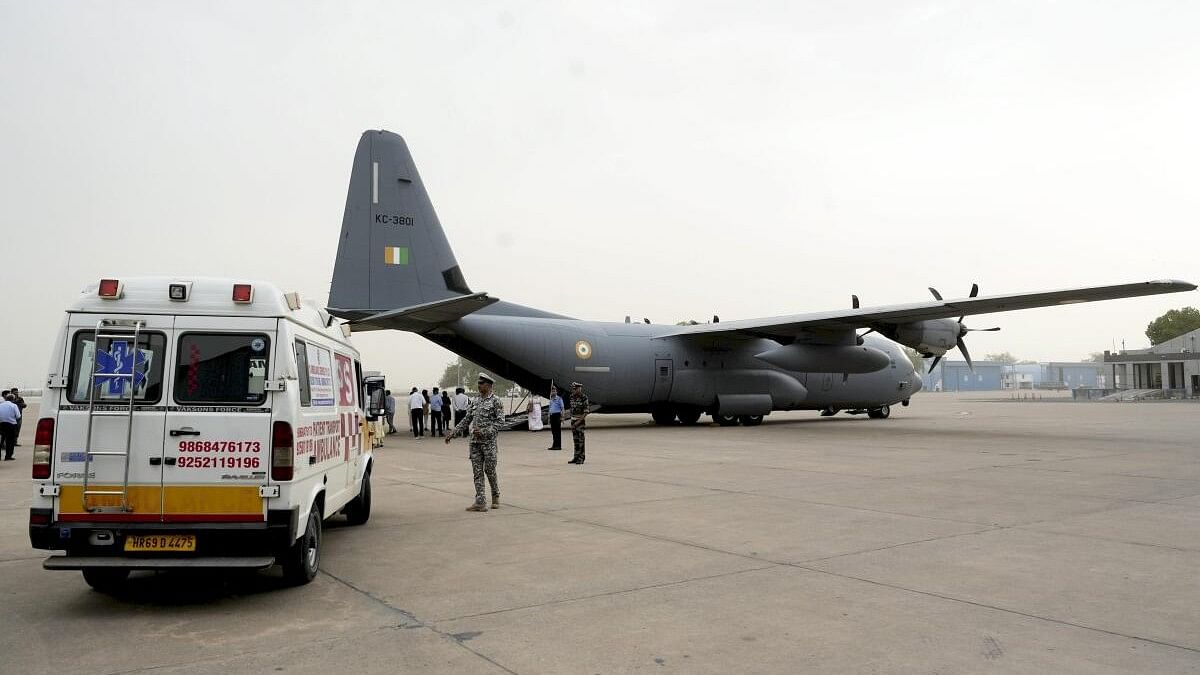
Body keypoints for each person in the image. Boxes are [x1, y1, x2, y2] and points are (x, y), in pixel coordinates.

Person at [445, 373, 505, 511]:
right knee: (477, 472)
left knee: (489, 470)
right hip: (474, 443)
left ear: (489, 385)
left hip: (488, 443)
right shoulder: (475, 401)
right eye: (478, 383)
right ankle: (480, 501)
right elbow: (467, 420)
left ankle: (495, 495)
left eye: (481, 383)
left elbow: (500, 421)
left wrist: (485, 431)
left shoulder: (496, 401)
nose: (478, 386)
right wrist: (453, 433)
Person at [568, 381, 590, 464]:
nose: (574, 390)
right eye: (573, 389)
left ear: (579, 389)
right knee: (575, 440)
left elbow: (586, 412)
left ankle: (581, 458)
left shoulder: (584, 397)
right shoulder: (571, 397)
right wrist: (572, 421)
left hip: (580, 422)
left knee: (581, 441)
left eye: (576, 389)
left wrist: (578, 422)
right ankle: (576, 457)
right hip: (573, 421)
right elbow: (571, 409)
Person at [0, 393, 21, 460]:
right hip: (11, 425)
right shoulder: (14, 406)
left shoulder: (1, 405)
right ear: (13, 399)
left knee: (1, 441)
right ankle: (8, 456)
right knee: (10, 441)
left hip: (1, 425)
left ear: (6, 398)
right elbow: (18, 416)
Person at [547, 385, 564, 450]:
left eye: (554, 391)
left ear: (556, 392)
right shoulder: (551, 400)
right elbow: (550, 409)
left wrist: (562, 417)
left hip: (557, 415)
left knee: (557, 431)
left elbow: (562, 408)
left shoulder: (559, 399)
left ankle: (558, 446)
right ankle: (554, 445)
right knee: (553, 432)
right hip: (552, 416)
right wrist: (548, 418)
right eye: (552, 391)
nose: (553, 392)